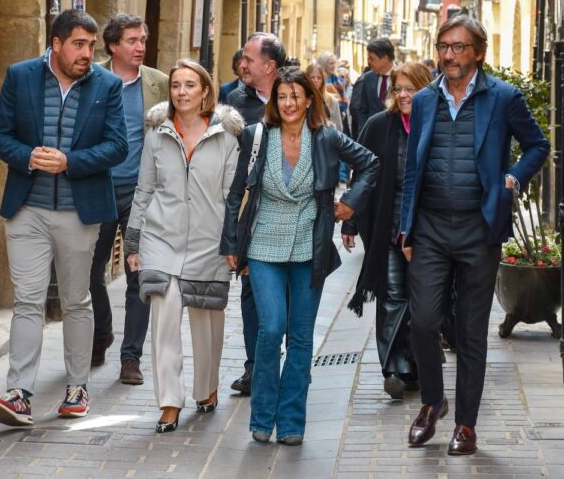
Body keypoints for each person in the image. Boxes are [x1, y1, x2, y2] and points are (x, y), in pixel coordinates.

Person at [400, 15, 549, 455]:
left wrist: (512, 178)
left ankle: (465, 424)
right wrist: (406, 227)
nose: (449, 54)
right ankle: (432, 403)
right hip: (428, 227)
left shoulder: (503, 98)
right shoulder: (425, 100)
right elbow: (413, 168)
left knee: (470, 332)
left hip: (478, 229)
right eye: (444, 46)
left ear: (478, 53)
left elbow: (538, 145)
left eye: (459, 47)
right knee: (423, 322)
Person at [221, 67, 379, 445]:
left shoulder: (325, 137)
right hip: (263, 245)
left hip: (310, 246)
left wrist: (350, 204)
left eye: (296, 96)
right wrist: (230, 244)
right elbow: (235, 192)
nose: (289, 103)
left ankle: (291, 422)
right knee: (271, 327)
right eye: (282, 97)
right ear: (275, 101)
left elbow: (371, 163)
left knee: (302, 338)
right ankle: (262, 416)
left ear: (309, 99)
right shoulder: (257, 136)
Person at [0, 9, 128, 426]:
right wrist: (29, 156)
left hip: (79, 211)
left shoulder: (107, 86)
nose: (87, 53)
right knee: (28, 300)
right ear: (57, 43)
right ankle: (18, 394)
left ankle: (77, 387)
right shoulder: (21, 76)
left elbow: (117, 146)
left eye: (91, 45)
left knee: (76, 300)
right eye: (79, 45)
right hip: (27, 207)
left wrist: (69, 161)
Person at [125, 59, 244, 433]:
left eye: (190, 85)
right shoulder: (156, 136)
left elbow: (232, 196)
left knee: (206, 319)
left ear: (205, 91)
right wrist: (133, 241)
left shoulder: (226, 137)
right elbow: (144, 190)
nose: (182, 92)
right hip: (162, 237)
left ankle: (206, 387)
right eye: (176, 85)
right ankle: (169, 402)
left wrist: (233, 242)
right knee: (164, 317)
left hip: (209, 241)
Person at [342, 62, 433, 400]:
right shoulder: (379, 126)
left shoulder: (438, 125)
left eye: (412, 88)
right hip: (389, 227)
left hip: (429, 231)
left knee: (424, 301)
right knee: (393, 295)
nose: (404, 94)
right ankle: (393, 368)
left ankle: (416, 363)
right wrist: (350, 220)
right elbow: (361, 175)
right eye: (399, 88)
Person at [89, 14, 169, 381]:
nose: (141, 46)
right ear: (112, 45)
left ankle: (130, 357)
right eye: (133, 40)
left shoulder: (160, 85)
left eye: (143, 39)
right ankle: (102, 329)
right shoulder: (92, 79)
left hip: (143, 194)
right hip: (98, 187)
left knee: (138, 272)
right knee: (90, 271)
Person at [225, 32, 286, 396]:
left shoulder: (296, 94)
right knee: (250, 292)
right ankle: (255, 367)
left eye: (248, 59)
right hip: (253, 216)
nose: (241, 65)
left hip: (291, 215)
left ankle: (284, 362)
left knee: (287, 297)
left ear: (270, 66)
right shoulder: (235, 100)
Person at [349, 38, 395, 139]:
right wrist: (363, 133)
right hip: (370, 139)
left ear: (385, 58)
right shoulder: (368, 78)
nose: (368, 62)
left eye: (372, 58)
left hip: (392, 138)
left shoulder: (401, 77)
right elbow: (362, 110)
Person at [306, 63, 343, 132]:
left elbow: (339, 128)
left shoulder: (332, 101)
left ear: (322, 81)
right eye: (312, 77)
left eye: (319, 78)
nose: (315, 80)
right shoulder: (302, 100)